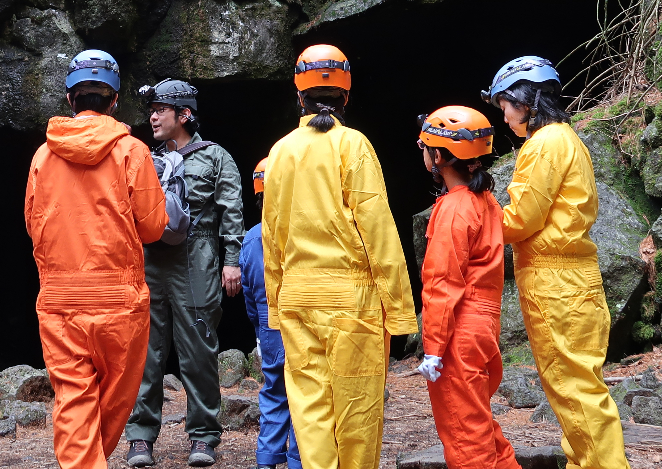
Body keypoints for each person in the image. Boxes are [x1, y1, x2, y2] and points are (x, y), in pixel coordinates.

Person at [261, 44, 418, 469]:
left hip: (297, 298)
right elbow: (380, 232)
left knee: (310, 418)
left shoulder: (280, 152)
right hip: (351, 303)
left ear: (299, 95)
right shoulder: (354, 145)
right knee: (356, 419)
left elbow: (271, 235)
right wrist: (401, 311)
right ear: (346, 95)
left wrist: (276, 306)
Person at [26, 50, 168, 469]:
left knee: (74, 398)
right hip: (120, 304)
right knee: (116, 398)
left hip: (60, 302)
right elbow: (154, 227)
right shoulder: (133, 152)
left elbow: (34, 226)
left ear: (70, 100)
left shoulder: (42, 157)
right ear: (115, 100)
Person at [486, 56, 629, 469]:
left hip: (554, 282)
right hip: (574, 276)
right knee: (580, 386)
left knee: (573, 390)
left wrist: (476, 214)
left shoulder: (544, 144)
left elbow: (521, 219)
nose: (506, 117)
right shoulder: (567, 137)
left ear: (526, 102)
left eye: (505, 106)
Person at [126, 79, 244, 468]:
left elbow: (231, 209)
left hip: (199, 258)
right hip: (151, 260)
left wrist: (232, 259)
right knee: (145, 353)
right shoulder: (145, 157)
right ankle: (140, 437)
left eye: (161, 109)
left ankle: (204, 436)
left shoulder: (215, 157)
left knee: (198, 352)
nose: (153, 116)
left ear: (184, 114)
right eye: (151, 109)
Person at [416, 106, 519, 469]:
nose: (422, 150)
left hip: (459, 330)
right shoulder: (486, 201)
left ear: (440, 157)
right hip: (484, 327)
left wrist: (434, 347)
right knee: (480, 424)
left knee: (465, 437)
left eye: (425, 145)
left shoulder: (454, 208)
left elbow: (442, 282)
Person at [239, 157, 301, 469]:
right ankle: (298, 461)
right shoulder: (306, 234)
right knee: (304, 394)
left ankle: (266, 460)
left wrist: (259, 331)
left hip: (269, 327)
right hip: (302, 326)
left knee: (274, 392)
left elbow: (250, 293)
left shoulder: (252, 238)